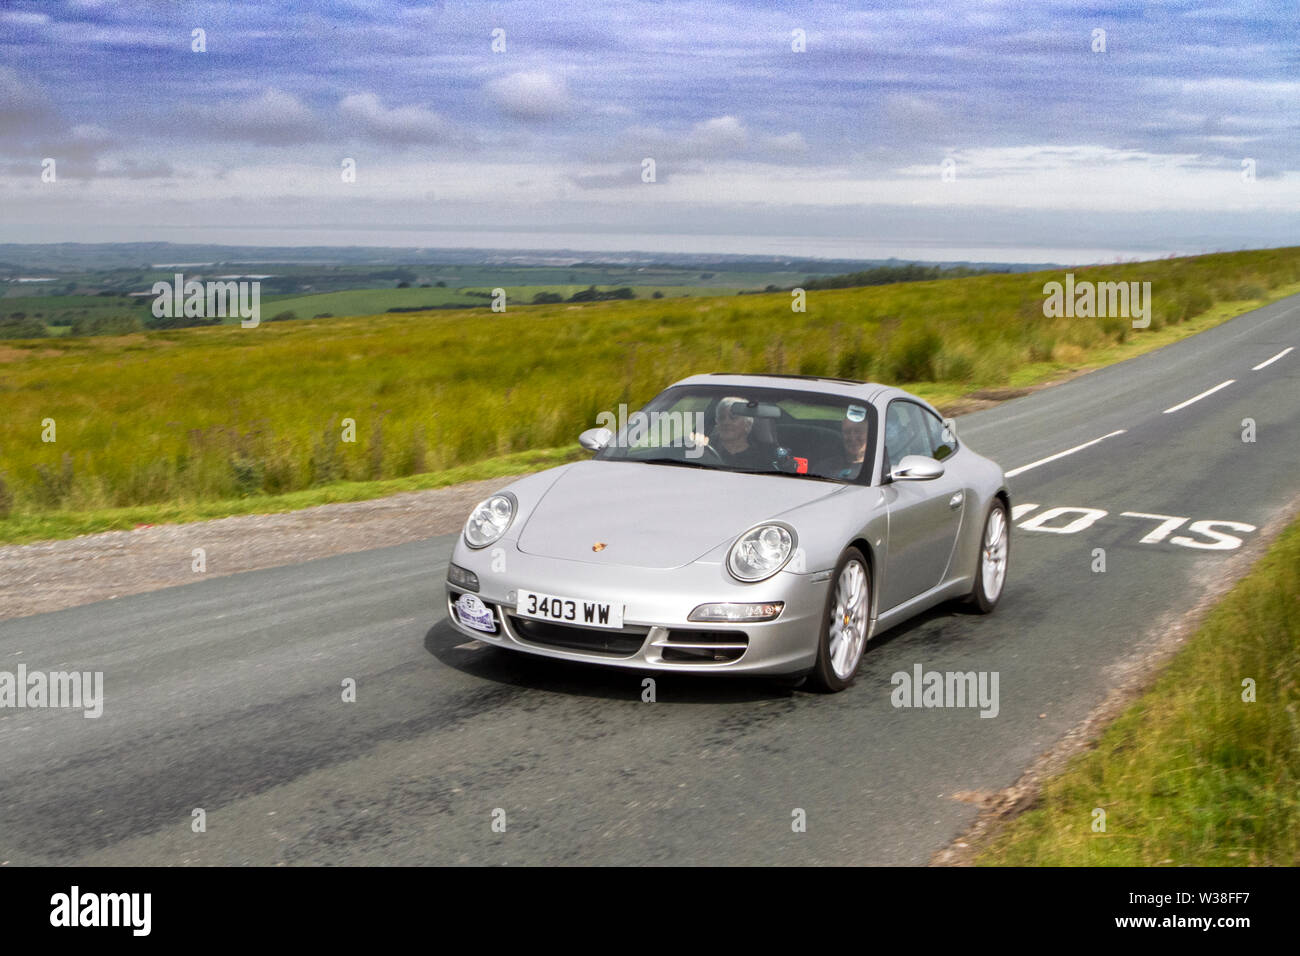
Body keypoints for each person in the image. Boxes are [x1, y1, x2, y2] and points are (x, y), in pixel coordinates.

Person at [692, 396, 776, 470]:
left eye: (733, 417)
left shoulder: (760, 459)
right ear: (717, 423)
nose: (726, 422)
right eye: (721, 418)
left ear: (748, 424)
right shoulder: (706, 448)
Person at [816, 414, 871, 480]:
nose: (852, 437)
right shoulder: (824, 468)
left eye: (858, 431)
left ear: (869, 434)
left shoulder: (878, 469)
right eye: (847, 432)